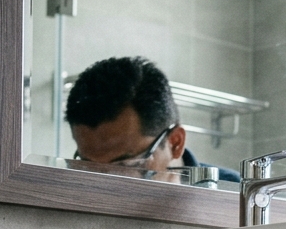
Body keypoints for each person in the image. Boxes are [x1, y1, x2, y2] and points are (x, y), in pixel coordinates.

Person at [64, 56, 239, 183]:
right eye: (89, 167)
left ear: (175, 143)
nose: (104, 185)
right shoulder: (68, 196)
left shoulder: (235, 194)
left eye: (126, 166)